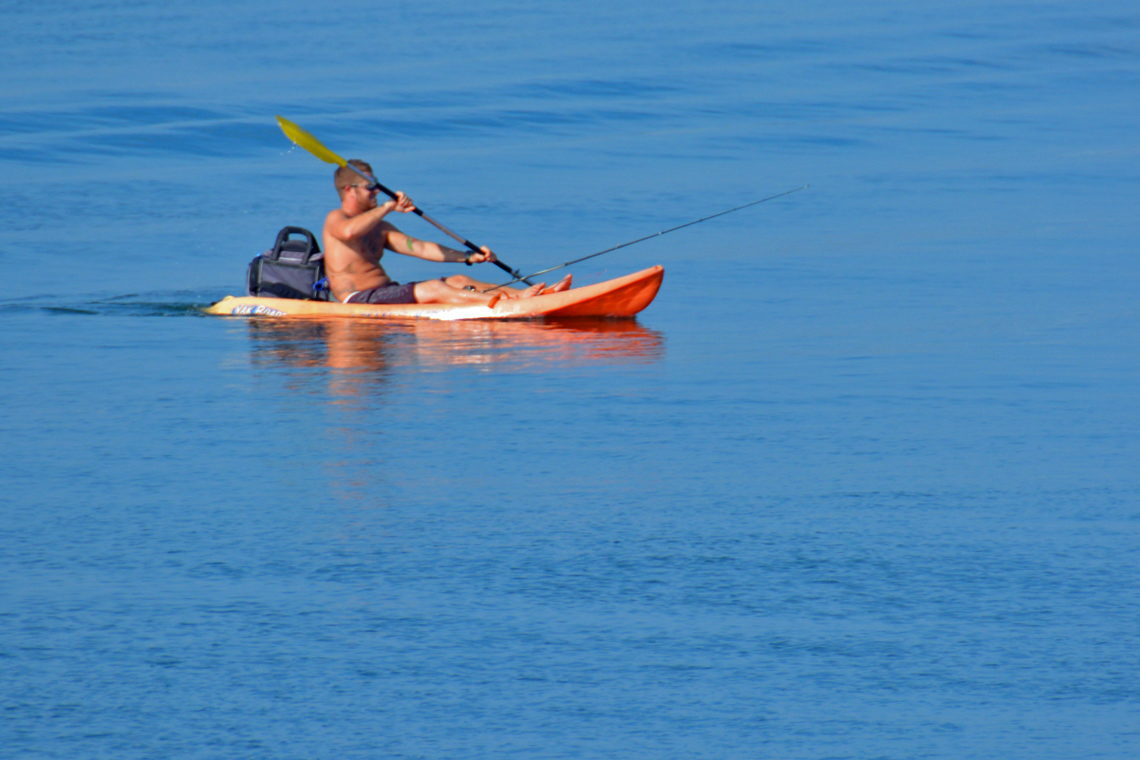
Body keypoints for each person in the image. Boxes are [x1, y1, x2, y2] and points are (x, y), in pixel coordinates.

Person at [322, 159, 570, 305]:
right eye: (370, 187)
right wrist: (389, 206)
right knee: (435, 288)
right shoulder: (336, 219)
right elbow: (348, 233)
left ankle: (532, 295)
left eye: (377, 187)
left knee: (459, 281)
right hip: (357, 299)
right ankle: (512, 303)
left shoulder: (380, 227)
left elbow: (419, 248)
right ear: (349, 190)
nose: (376, 192)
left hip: (386, 292)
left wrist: (468, 257)